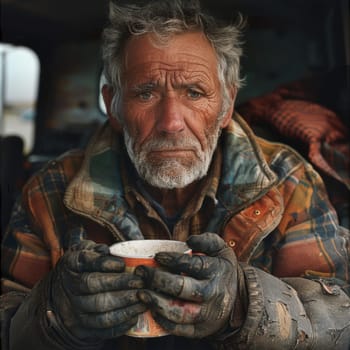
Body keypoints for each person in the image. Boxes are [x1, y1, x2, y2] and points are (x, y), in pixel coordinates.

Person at [1, 0, 349, 349]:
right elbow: (8, 321)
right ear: (113, 105)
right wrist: (52, 311)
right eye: (145, 92)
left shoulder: (286, 181)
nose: (170, 123)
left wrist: (242, 303)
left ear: (227, 105)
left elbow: (339, 319)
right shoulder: (49, 190)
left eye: (194, 92)